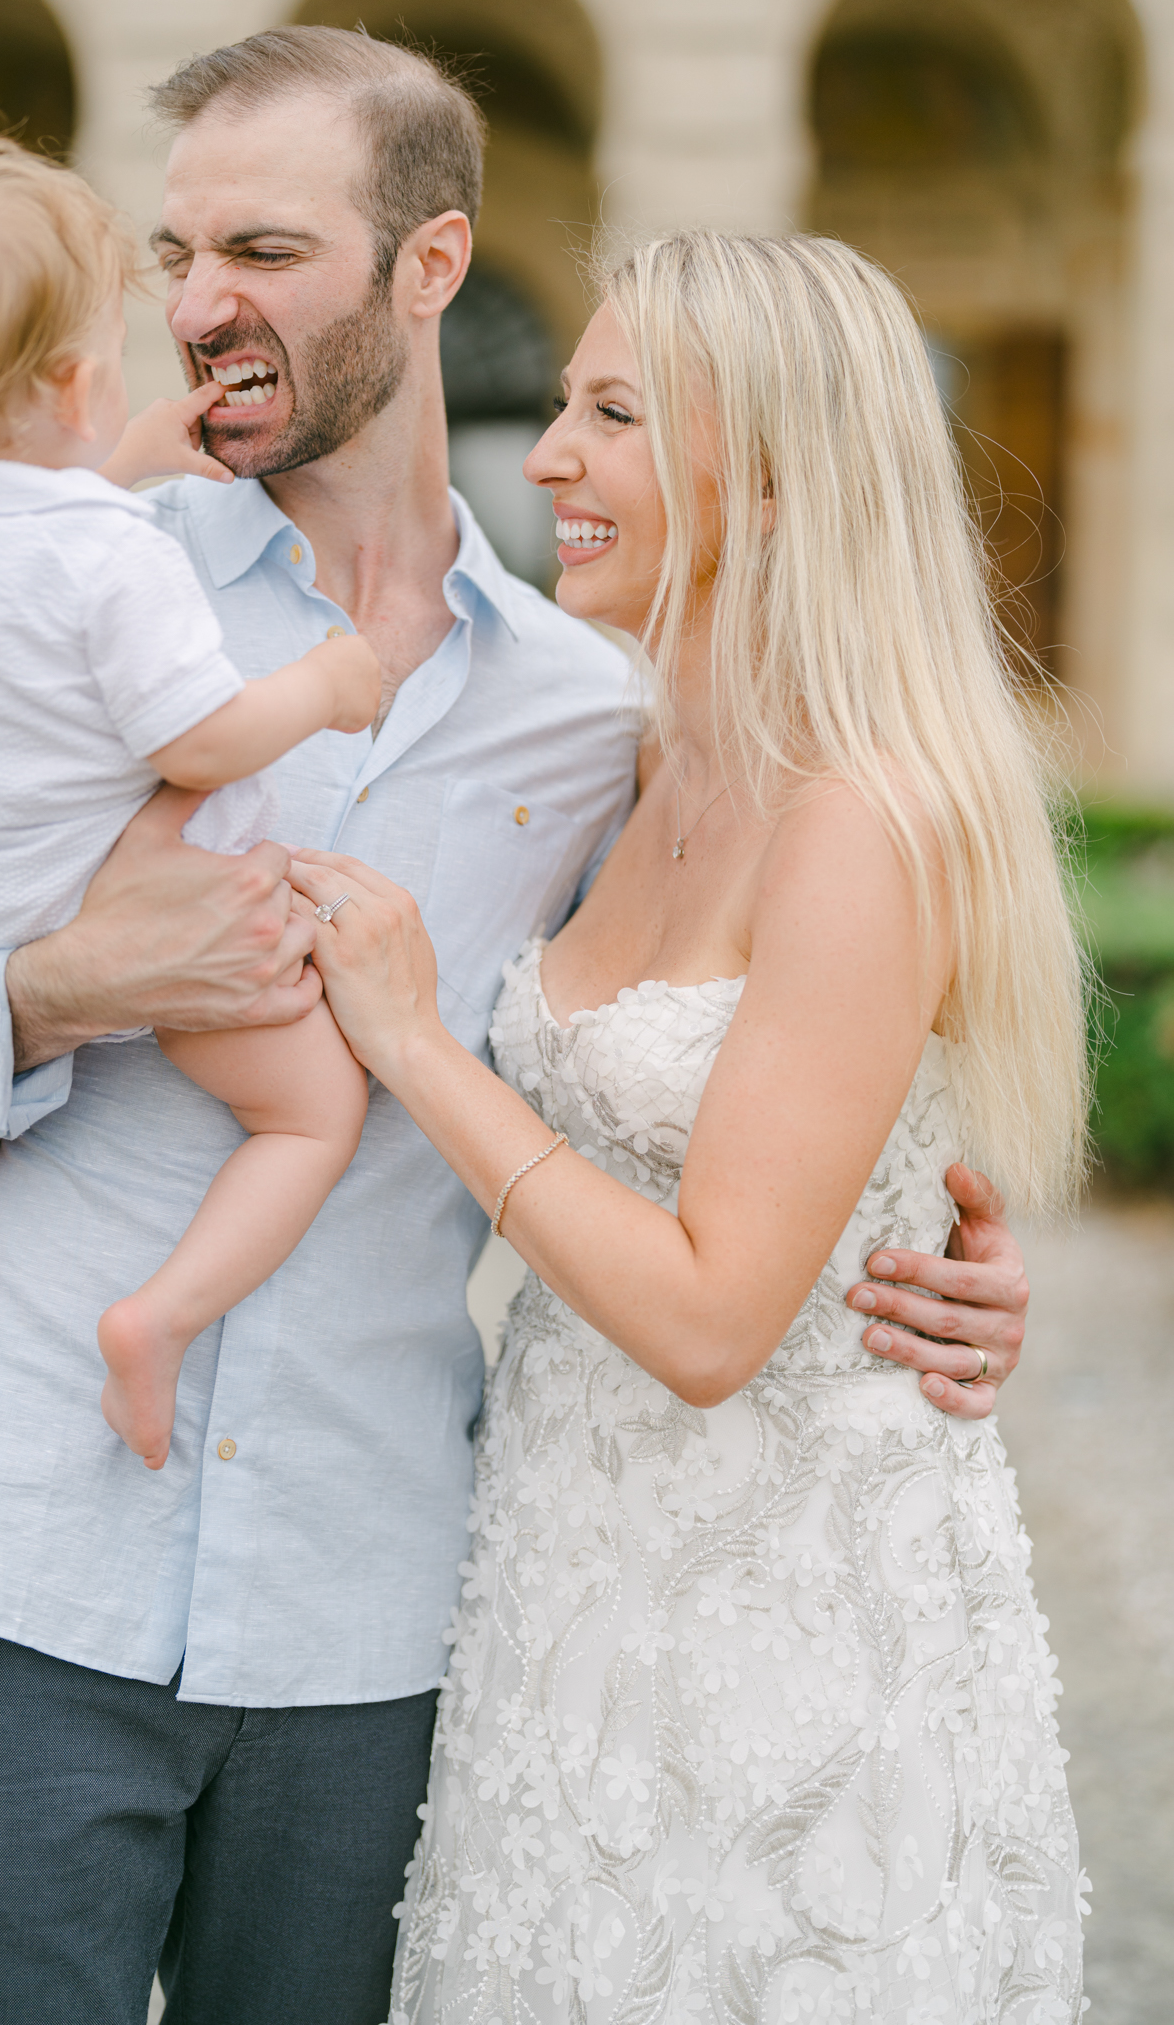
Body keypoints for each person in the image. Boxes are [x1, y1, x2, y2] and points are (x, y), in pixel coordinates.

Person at [0, 31, 1034, 2025]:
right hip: (24, 1574)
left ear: (430, 266)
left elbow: (733, 1026)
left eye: (261, 245)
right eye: (177, 250)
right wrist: (56, 988)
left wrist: (940, 1246)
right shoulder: (59, 587)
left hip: (377, 1637)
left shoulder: (595, 719)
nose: (196, 304)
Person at [290, 233, 1087, 2022]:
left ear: (784, 475)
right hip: (564, 1576)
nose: (548, 455)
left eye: (612, 414)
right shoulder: (637, 761)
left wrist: (426, 1052)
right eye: (565, 404)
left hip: (788, 1626)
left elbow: (722, 1316)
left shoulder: (860, 825)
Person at [0, 115, 381, 1472]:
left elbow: (26, 536)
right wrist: (330, 684)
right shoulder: (116, 559)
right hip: (109, 883)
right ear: (70, 382)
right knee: (309, 1111)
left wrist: (118, 460)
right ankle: (161, 1320)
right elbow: (203, 740)